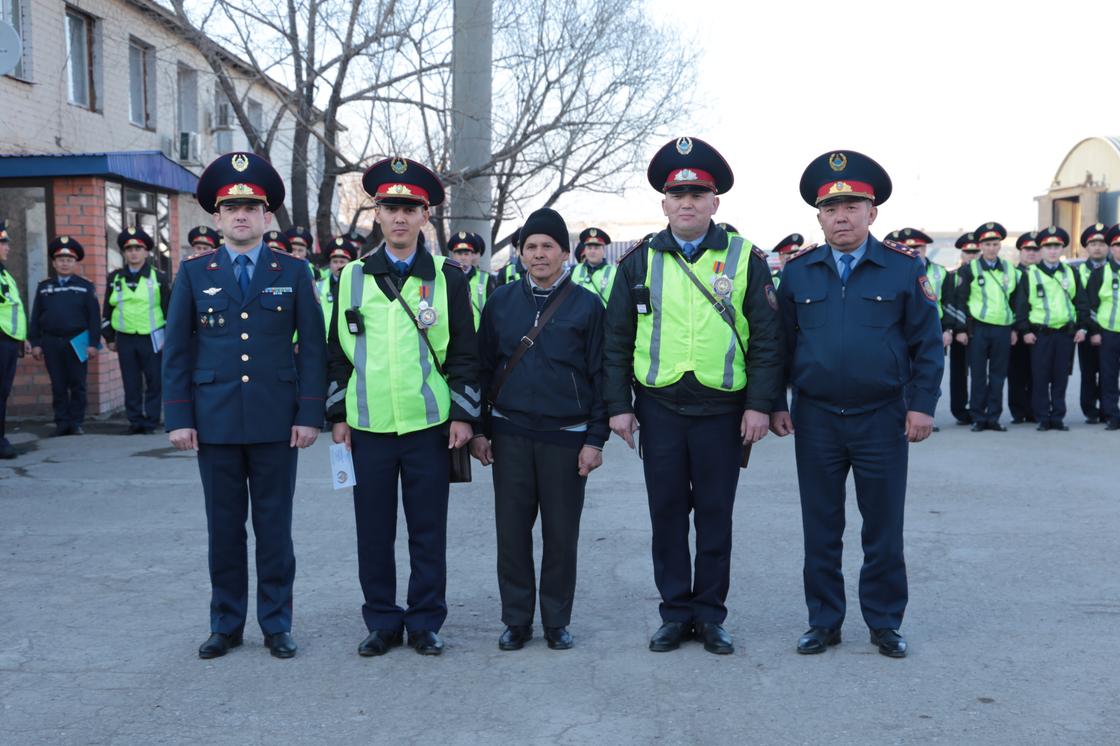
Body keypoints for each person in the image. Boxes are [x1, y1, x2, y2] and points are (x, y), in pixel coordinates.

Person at [603, 136, 781, 655]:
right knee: (666, 514)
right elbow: (616, 340)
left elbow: (769, 339)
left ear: (715, 203)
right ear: (664, 203)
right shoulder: (637, 262)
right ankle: (675, 613)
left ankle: (710, 615)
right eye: (677, 195)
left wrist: (758, 405)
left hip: (722, 412)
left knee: (715, 516)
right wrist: (618, 406)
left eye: (698, 194)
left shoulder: (746, 258)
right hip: (659, 410)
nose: (687, 202)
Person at [769, 150, 942, 659]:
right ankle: (824, 621)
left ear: (872, 213)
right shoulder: (798, 273)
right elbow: (780, 345)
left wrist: (923, 406)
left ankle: (885, 622)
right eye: (831, 209)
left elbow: (927, 346)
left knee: (883, 527)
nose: (841, 217)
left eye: (852, 206)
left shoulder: (902, 269)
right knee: (820, 526)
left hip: (882, 417)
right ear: (818, 217)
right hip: (817, 417)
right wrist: (777, 403)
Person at [162, 152, 326, 660]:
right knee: (224, 530)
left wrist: (308, 414)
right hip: (214, 422)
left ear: (266, 217)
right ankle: (226, 624)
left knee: (275, 529)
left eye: (251, 208)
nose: (240, 216)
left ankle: (277, 624)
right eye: (231, 208)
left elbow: (315, 347)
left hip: (278, 422)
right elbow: (178, 349)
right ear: (216, 217)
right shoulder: (194, 274)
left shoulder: (293, 271)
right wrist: (178, 418)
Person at [326, 157, 479, 658]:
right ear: (377, 214)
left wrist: (462, 415)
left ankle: (425, 621)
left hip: (428, 428)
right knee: (372, 532)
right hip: (368, 428)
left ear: (424, 216)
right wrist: (338, 415)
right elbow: (335, 354)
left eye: (409, 208)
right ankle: (382, 622)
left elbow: (464, 353)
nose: (399, 217)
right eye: (390, 206)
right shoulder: (350, 277)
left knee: (427, 532)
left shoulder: (449, 278)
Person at [471, 207, 607, 652]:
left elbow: (602, 375)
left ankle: (555, 621)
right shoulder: (501, 301)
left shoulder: (587, 306)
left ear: (566, 253)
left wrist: (594, 439)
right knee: (511, 533)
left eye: (548, 245)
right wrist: (480, 430)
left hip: (566, 437)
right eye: (531, 246)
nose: (539, 254)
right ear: (521, 253)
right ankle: (516, 620)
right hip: (510, 433)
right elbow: (483, 367)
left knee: (560, 535)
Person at [1013, 227, 1088, 431]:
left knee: (1060, 377)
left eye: (1056, 246)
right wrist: (1025, 331)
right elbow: (1021, 306)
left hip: (1065, 333)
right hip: (1040, 334)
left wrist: (1083, 328)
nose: (1052, 251)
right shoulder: (1030, 275)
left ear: (1062, 248)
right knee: (1040, 377)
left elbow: (1081, 302)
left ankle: (1058, 417)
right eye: (1048, 247)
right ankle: (1043, 418)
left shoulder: (1071, 273)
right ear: (1042, 250)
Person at [28, 236, 100, 437]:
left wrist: (93, 344)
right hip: (51, 341)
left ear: (75, 263)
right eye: (61, 260)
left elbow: (94, 318)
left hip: (78, 341)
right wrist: (35, 343)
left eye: (69, 260)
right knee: (58, 384)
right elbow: (35, 317)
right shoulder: (44, 287)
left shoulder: (85, 286)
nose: (65, 263)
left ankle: (76, 423)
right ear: (54, 262)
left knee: (78, 384)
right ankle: (61, 423)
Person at [102, 227, 171, 434]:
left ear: (146, 252)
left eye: (138, 248)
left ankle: (151, 420)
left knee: (154, 381)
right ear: (124, 252)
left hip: (152, 336)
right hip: (125, 338)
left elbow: (168, 309)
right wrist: (109, 337)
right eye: (129, 249)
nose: (133, 253)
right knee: (130, 381)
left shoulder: (158, 277)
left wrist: (168, 336)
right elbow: (108, 308)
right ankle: (134, 420)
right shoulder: (115, 278)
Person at [954, 221, 1021, 431]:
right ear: (980, 246)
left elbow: (1017, 301)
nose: (991, 248)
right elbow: (960, 301)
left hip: (1002, 329)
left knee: (999, 375)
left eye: (995, 244)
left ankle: (993, 417)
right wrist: (961, 329)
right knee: (979, 375)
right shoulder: (969, 270)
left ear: (1000, 246)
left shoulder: (1010, 269)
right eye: (987, 244)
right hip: (979, 330)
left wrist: (1015, 329)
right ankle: (977, 417)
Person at [1084, 223, 1120, 430]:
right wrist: (1096, 331)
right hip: (1109, 333)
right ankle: (1112, 415)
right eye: (1117, 245)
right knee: (1108, 376)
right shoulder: (1100, 273)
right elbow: (1091, 306)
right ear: (1111, 248)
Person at [0, 220, 30, 459]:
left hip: (8, 342)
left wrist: (22, 337)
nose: (8, 247)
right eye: (3, 242)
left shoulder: (4, 274)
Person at [1006, 232, 1041, 424]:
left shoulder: (1043, 274)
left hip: (1038, 329)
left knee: (1038, 373)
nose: (1032, 253)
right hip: (1016, 332)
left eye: (1036, 249)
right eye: (1028, 249)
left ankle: (1035, 410)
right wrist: (1014, 328)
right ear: (1020, 251)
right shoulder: (1013, 273)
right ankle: (1018, 411)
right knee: (1017, 373)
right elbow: (1008, 302)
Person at [1077, 223, 1109, 423]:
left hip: (1111, 329)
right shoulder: (1076, 270)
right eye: (1093, 243)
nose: (1097, 247)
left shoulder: (1115, 269)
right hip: (1086, 328)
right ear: (1087, 248)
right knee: (1088, 372)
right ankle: (1089, 409)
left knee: (1109, 372)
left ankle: (1107, 408)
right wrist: (1088, 326)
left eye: (1102, 243)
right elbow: (1077, 301)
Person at [945, 233, 979, 424]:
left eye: (975, 252)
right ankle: (959, 410)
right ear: (962, 253)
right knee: (959, 373)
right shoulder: (953, 276)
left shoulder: (984, 274)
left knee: (979, 373)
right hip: (960, 331)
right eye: (968, 252)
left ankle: (977, 408)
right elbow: (949, 304)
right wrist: (957, 330)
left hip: (980, 330)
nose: (972, 256)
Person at [447, 231, 495, 329]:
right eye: (459, 253)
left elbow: (492, 308)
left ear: (472, 256)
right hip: (452, 335)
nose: (463, 258)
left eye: (466, 254)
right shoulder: (445, 277)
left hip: (478, 335)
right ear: (453, 255)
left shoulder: (485, 278)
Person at [319, 237, 357, 336]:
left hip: (349, 340)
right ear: (330, 264)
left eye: (342, 262)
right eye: (335, 262)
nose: (338, 266)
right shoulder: (319, 286)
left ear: (349, 264)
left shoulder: (358, 286)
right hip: (324, 340)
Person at [571, 227, 616, 306]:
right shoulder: (574, 270)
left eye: (596, 248)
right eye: (589, 248)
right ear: (585, 250)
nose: (592, 251)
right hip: (578, 317)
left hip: (603, 317)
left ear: (603, 250)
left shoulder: (614, 272)